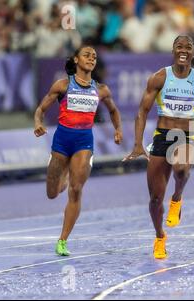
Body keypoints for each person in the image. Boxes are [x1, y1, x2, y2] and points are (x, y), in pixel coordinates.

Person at [123, 35, 194, 259]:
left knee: (182, 169)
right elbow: (142, 111)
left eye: (188, 47)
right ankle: (159, 237)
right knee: (155, 199)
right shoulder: (159, 78)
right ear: (173, 51)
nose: (183, 50)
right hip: (162, 136)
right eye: (179, 46)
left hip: (185, 136)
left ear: (193, 53)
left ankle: (177, 198)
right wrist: (137, 143)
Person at [34, 46, 123, 256]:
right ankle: (62, 174)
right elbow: (40, 109)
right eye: (86, 55)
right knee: (52, 193)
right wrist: (38, 123)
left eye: (94, 56)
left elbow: (113, 110)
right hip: (62, 141)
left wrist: (118, 129)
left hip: (84, 141)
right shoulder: (63, 85)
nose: (91, 58)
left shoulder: (101, 89)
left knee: (76, 190)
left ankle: (62, 240)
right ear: (76, 60)